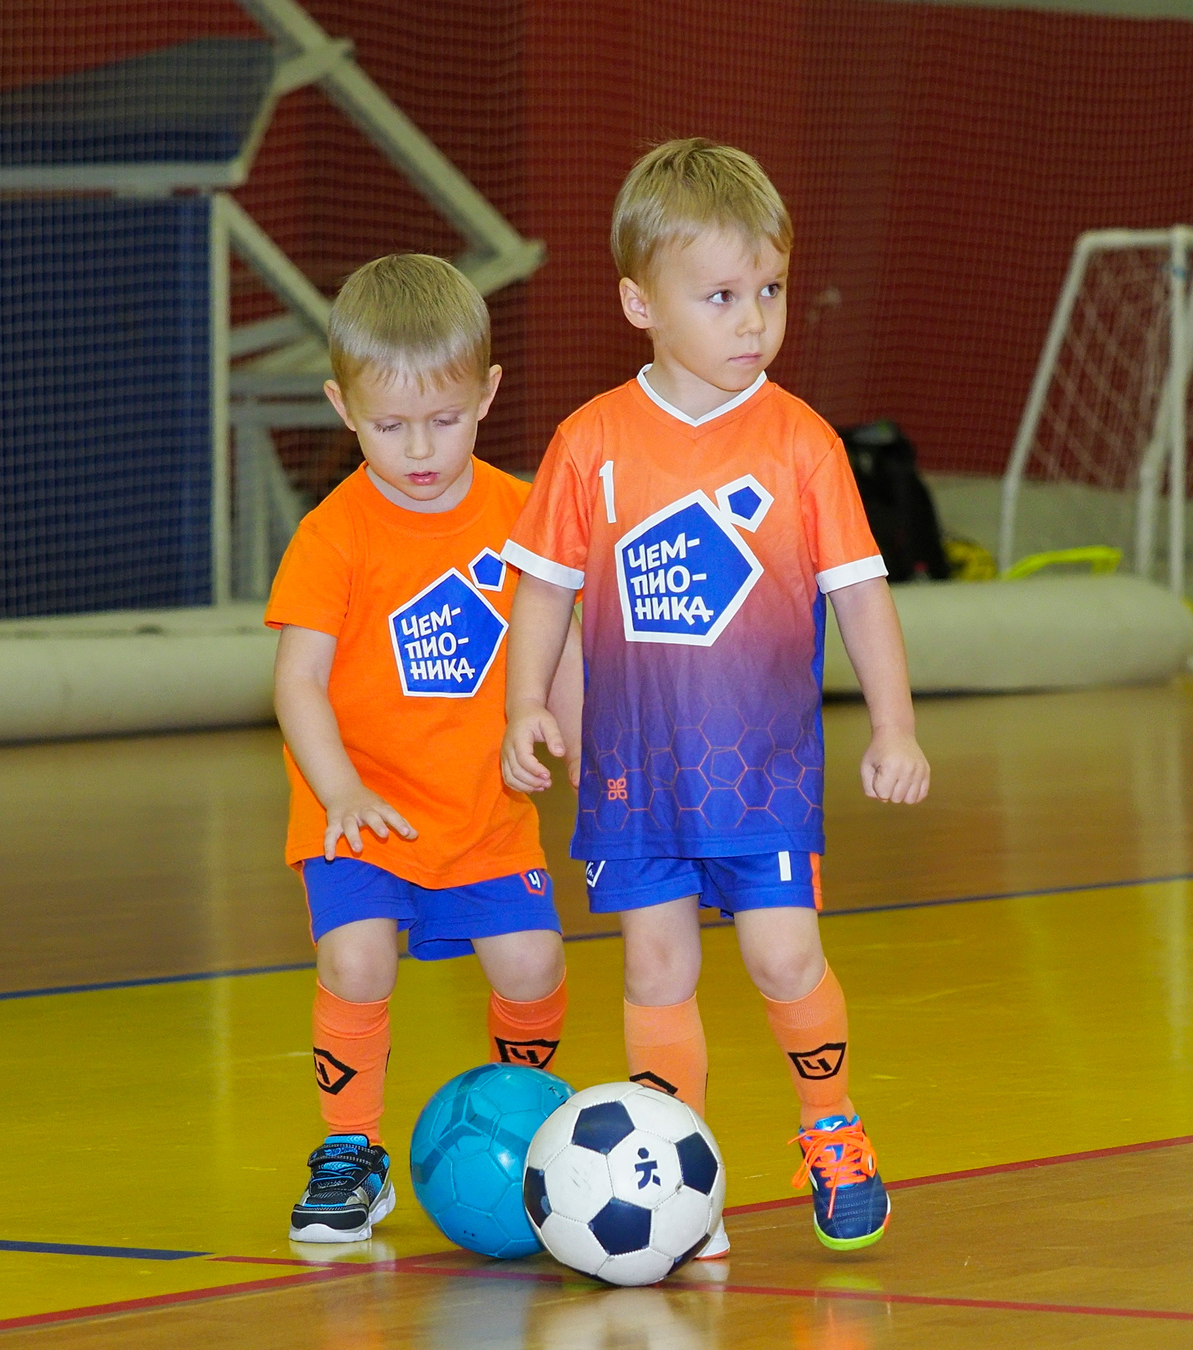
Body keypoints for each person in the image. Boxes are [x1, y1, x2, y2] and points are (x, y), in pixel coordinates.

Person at [499, 139, 930, 1255]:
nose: (755, 322)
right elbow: (540, 587)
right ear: (640, 303)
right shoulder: (590, 442)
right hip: (634, 775)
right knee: (656, 967)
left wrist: (894, 725)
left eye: (771, 291)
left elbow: (862, 593)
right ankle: (674, 1175)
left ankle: (832, 1127)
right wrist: (525, 702)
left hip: (763, 774)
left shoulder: (803, 444)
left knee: (784, 956)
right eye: (723, 296)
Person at [266, 253, 582, 1243]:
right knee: (357, 958)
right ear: (342, 408)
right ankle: (351, 1152)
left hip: (482, 811)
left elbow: (558, 644)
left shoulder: (522, 514)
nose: (418, 450)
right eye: (389, 425)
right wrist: (340, 792)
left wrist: (586, 756)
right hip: (360, 812)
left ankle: (526, 1123)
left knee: (531, 962)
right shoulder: (333, 535)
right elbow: (298, 682)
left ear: (486, 394)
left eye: (444, 421)